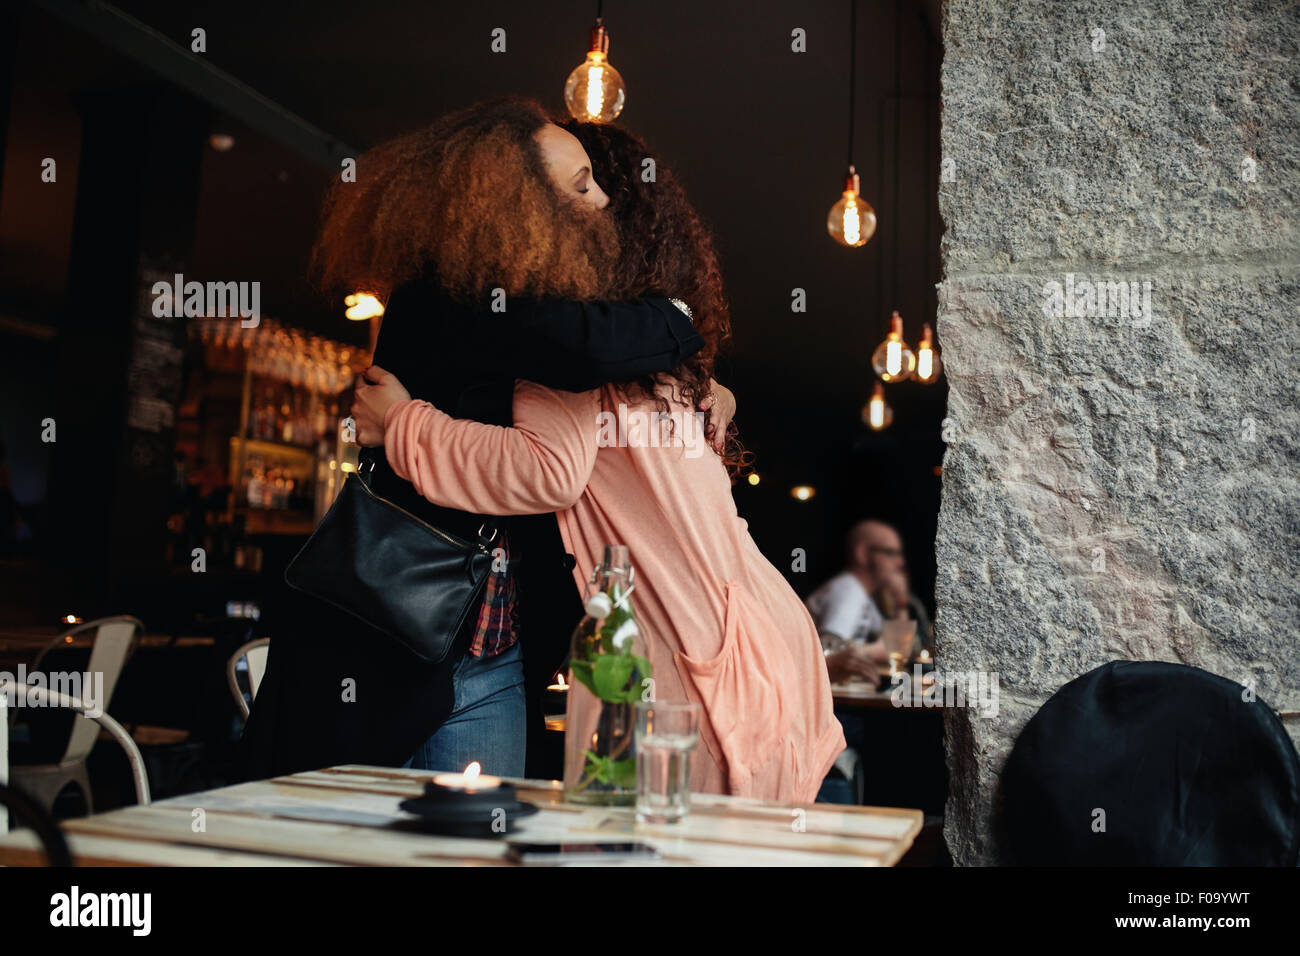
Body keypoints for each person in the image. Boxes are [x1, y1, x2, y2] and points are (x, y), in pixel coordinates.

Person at [236, 98, 736, 782]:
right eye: (581, 184)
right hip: (381, 635)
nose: (602, 202)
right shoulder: (454, 293)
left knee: (475, 851)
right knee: (339, 845)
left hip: (492, 647)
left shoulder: (528, 304)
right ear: (511, 197)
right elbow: (588, 346)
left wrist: (711, 386)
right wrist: (679, 317)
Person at [352, 123, 845, 802]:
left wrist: (401, 424)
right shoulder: (622, 352)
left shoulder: (597, 346)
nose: (602, 203)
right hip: (751, 635)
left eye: (600, 183)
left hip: (679, 656)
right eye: (581, 186)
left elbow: (548, 466)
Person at [805, 520, 926, 682]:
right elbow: (829, 654)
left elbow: (901, 648)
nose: (901, 562)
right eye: (891, 553)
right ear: (862, 553)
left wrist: (900, 602)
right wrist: (880, 650)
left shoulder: (864, 596)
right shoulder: (848, 591)